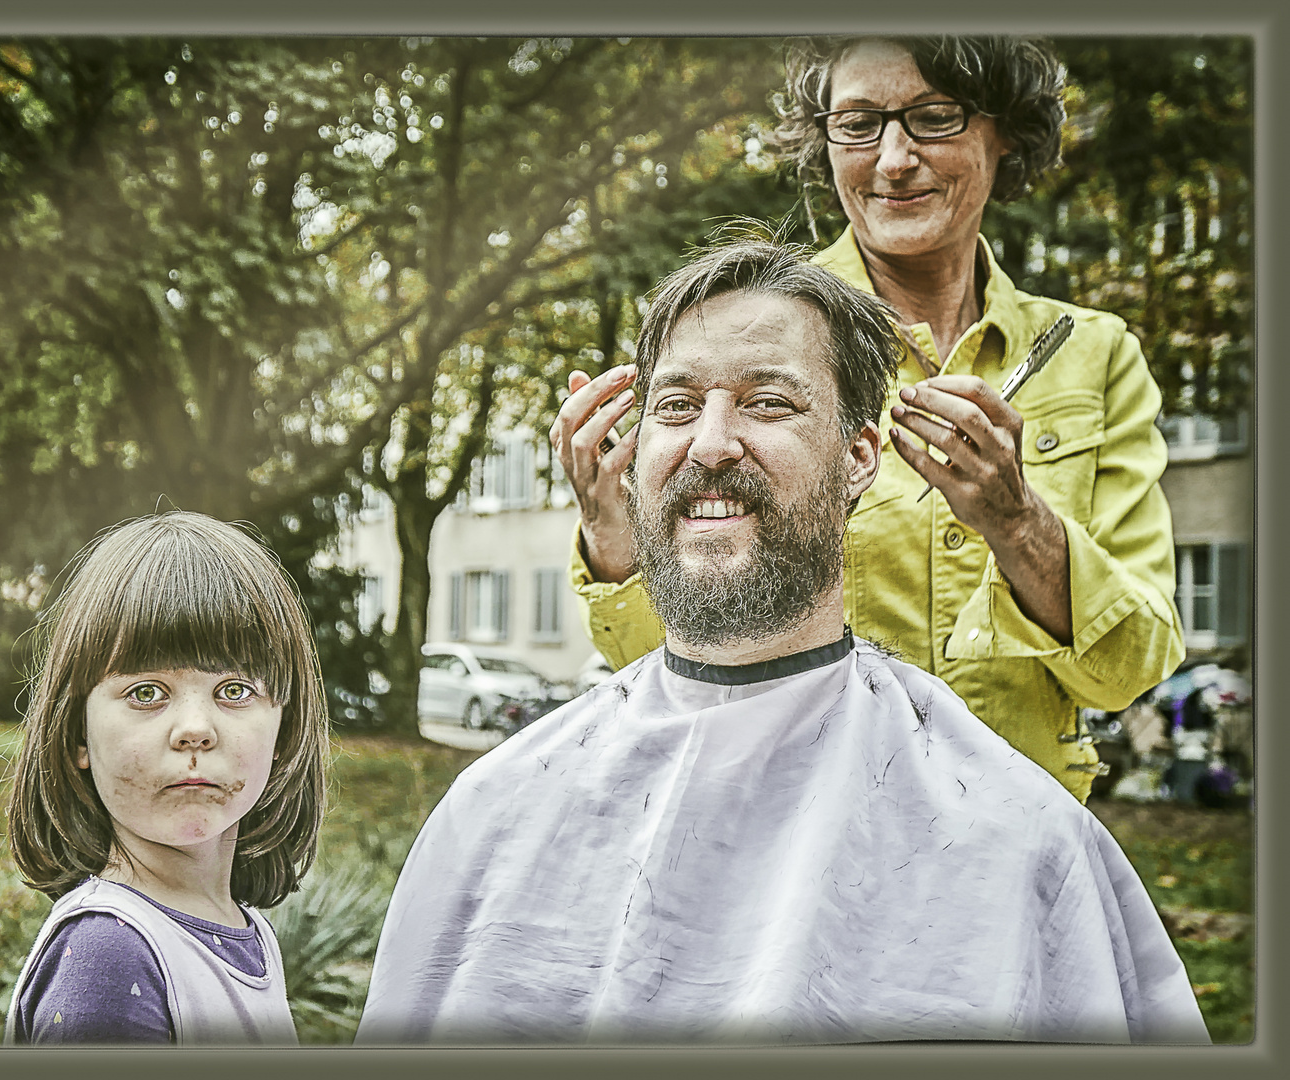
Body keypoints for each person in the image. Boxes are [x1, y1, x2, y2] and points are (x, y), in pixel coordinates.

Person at [356, 240, 1208, 1044]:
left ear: (859, 458)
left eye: (769, 402)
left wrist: (1019, 522)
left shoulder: (1018, 839)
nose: (712, 442)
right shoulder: (495, 809)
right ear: (628, 452)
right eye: (676, 407)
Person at [552, 35, 1183, 803]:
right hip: (788, 821)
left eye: (934, 117)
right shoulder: (748, 337)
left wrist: (1016, 522)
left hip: (1017, 841)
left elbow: (1128, 669)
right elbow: (666, 665)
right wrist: (615, 537)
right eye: (856, 123)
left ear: (1005, 131)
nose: (891, 160)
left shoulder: (1096, 355)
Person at [4, 511, 329, 1045]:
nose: (196, 730)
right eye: (147, 693)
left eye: (234, 690)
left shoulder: (251, 935)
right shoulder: (109, 959)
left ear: (284, 732)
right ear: (77, 736)